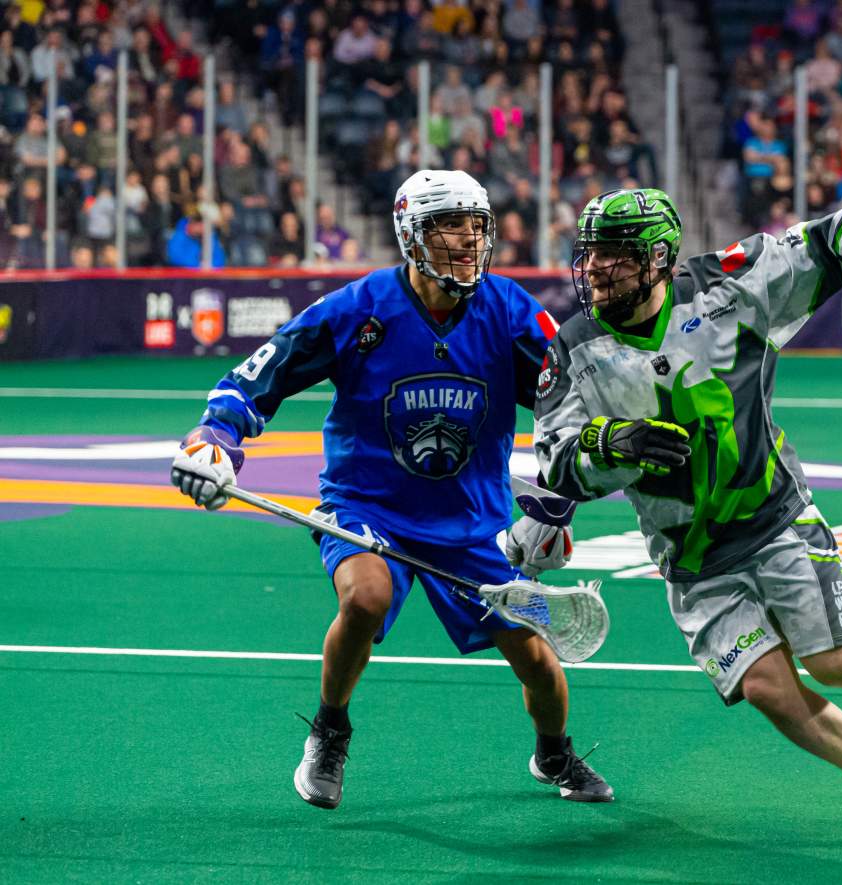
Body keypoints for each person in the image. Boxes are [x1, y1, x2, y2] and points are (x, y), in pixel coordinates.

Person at [532, 187, 842, 851]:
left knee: (840, 666)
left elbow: (817, 245)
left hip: (774, 517)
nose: (594, 269)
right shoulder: (573, 351)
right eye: (591, 254)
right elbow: (556, 459)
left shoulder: (727, 287)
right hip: (692, 556)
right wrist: (610, 442)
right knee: (766, 686)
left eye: (615, 255)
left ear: (657, 259)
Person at [169, 170, 612, 809]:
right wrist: (214, 435)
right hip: (368, 506)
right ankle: (329, 729)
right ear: (410, 233)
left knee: (539, 660)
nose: (467, 240)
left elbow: (569, 406)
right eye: (448, 226)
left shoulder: (511, 311)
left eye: (476, 226)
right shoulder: (358, 309)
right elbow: (256, 376)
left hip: (474, 523)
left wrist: (555, 503)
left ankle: (553, 754)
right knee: (367, 595)